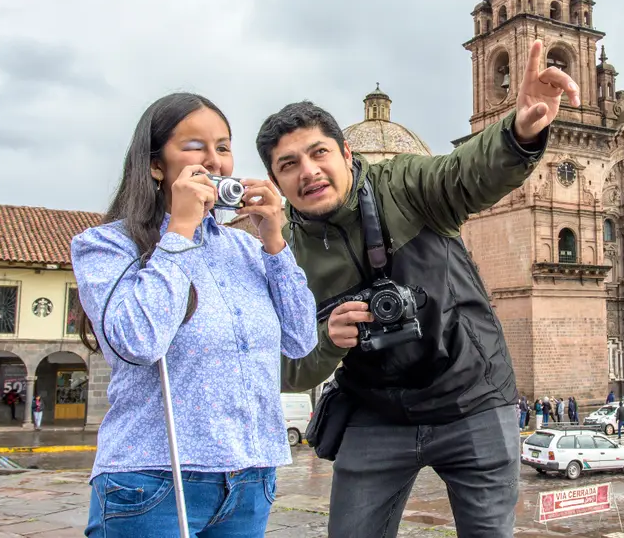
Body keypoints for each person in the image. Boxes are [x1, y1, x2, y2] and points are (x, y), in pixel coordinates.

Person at [260, 39, 580, 537]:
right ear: (276, 181)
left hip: (472, 396)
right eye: (288, 165)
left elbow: (466, 173)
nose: (309, 172)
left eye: (319, 152)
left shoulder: (404, 183)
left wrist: (518, 132)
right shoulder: (284, 256)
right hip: (375, 410)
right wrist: (328, 339)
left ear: (347, 153)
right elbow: (286, 369)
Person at [71, 93, 319, 537]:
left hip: (251, 477)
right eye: (194, 146)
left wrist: (275, 243)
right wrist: (179, 230)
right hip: (154, 480)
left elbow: (301, 339)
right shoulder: (106, 246)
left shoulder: (246, 248)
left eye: (223, 147)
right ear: (153, 165)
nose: (215, 161)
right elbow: (138, 342)